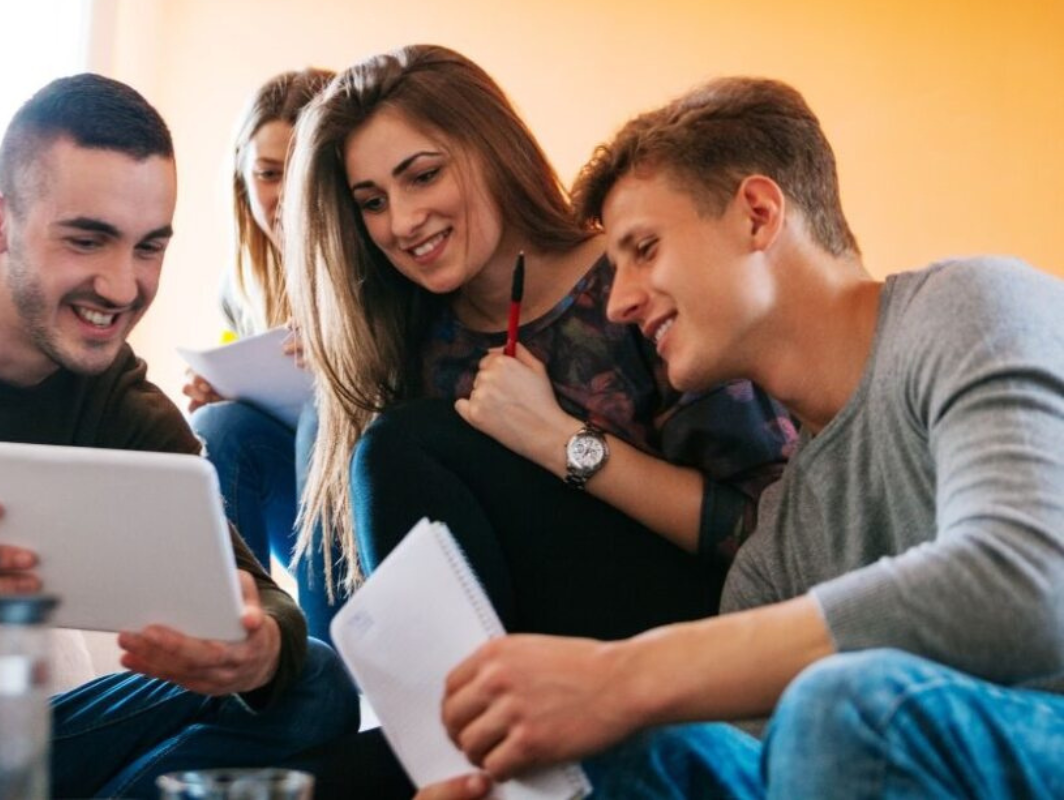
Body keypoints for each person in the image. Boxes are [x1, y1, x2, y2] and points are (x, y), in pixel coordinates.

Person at [417, 77, 1064, 799]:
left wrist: (626, 674)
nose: (622, 301)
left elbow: (1029, 587)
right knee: (623, 753)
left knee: (836, 705)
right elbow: (745, 772)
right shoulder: (778, 545)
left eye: (644, 248)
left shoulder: (970, 309)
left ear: (757, 216)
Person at [0, 73, 358, 798]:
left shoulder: (121, 405)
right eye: (88, 240)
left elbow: (258, 597)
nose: (123, 287)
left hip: (10, 754)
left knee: (311, 678)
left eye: (148, 247)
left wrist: (255, 652)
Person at [283, 44, 796, 641]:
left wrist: (563, 443)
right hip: (525, 662)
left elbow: (769, 532)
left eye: (424, 176)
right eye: (373, 203)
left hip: (698, 633)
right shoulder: (412, 340)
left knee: (397, 444)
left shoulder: (637, 281)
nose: (402, 222)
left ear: (493, 151)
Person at [180, 67, 346, 643]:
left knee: (327, 414)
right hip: (299, 509)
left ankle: (331, 667)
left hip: (378, 514)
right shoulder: (242, 288)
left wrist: (346, 360)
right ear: (242, 181)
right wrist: (223, 389)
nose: (287, 196)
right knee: (216, 425)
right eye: (270, 174)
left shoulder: (388, 261)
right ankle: (241, 644)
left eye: (305, 173)